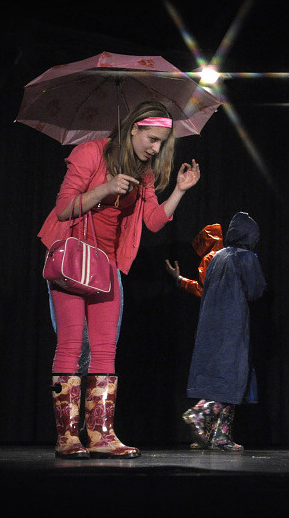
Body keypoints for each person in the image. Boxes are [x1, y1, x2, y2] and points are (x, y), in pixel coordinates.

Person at [39, 101, 201, 459]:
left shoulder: (143, 173)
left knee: (105, 347)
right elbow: (64, 207)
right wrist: (106, 188)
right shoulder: (90, 153)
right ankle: (67, 437)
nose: (155, 149)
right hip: (71, 258)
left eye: (161, 143)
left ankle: (101, 434)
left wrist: (180, 190)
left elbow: (153, 222)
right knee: (70, 344)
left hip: (107, 264)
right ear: (133, 129)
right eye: (152, 139)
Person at [182, 212, 266, 451]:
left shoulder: (217, 257)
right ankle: (199, 414)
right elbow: (256, 291)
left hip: (210, 326)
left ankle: (220, 436)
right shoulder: (246, 257)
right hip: (232, 326)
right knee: (232, 377)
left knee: (222, 379)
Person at [165, 223, 224, 448]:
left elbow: (202, 289)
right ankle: (213, 433)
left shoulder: (211, 258)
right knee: (222, 379)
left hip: (212, 325)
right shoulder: (225, 257)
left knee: (214, 379)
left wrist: (179, 280)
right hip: (222, 325)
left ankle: (209, 432)